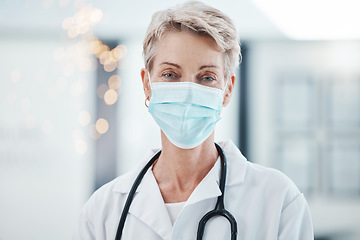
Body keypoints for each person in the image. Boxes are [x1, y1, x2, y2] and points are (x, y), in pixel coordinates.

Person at [74, 1, 314, 239]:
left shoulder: (279, 201)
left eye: (206, 77)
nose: (188, 91)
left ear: (227, 90)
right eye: (170, 74)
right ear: (147, 84)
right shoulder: (102, 211)